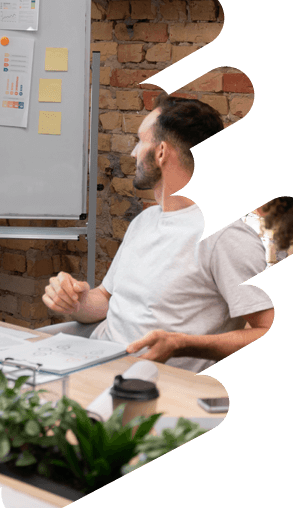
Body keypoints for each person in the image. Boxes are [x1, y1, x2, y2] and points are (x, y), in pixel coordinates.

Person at [42, 94, 275, 373]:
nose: (133, 153)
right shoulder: (144, 221)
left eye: (140, 141)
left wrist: (182, 344)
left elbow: (264, 330)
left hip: (150, 383)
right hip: (95, 361)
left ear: (161, 152)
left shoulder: (224, 236)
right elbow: (105, 299)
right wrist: (75, 301)